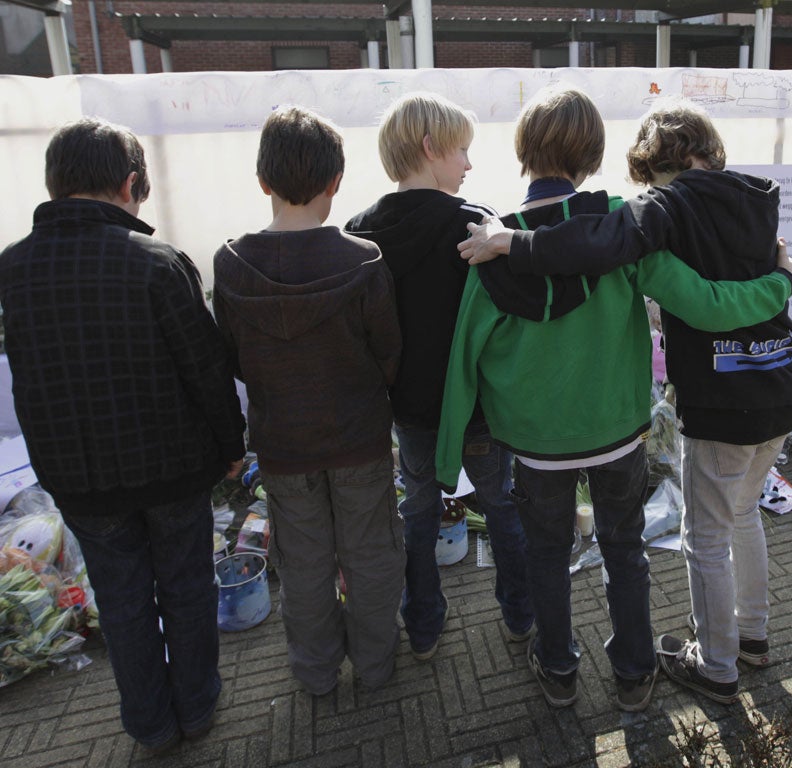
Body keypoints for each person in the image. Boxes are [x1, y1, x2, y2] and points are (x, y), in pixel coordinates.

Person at [435, 87, 792, 711]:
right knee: (625, 552)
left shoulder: (495, 243)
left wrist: (449, 463)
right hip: (620, 433)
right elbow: (703, 303)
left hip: (536, 444)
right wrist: (780, 282)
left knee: (546, 555)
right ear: (596, 154)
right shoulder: (628, 235)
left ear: (523, 153)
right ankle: (633, 674)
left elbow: (463, 357)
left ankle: (557, 667)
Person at [0, 118, 246, 751]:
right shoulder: (158, 264)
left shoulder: (13, 269)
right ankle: (196, 709)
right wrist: (230, 446)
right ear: (131, 183)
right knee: (187, 589)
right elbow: (207, 370)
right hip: (171, 469)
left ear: (54, 186)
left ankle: (150, 727)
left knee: (123, 602)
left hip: (79, 479)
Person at [213, 107, 405, 695]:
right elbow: (389, 355)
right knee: (371, 557)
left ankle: (316, 675)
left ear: (263, 180)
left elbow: (232, 359)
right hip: (360, 441)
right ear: (336, 181)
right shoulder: (365, 260)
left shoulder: (230, 264)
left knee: (303, 565)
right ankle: (375, 668)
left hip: (282, 444)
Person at [344, 92, 533, 660]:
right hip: (475, 406)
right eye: (462, 150)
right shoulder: (474, 224)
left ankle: (422, 626)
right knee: (501, 503)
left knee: (418, 508)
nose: (469, 165)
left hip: (408, 409)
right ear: (430, 148)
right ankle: (521, 616)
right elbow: (506, 321)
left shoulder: (358, 231)